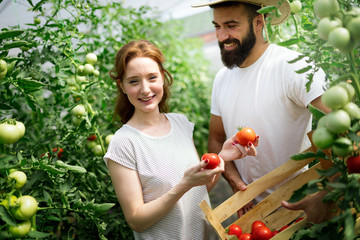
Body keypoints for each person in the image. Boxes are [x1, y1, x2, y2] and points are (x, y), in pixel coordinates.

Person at [104, 39, 257, 240]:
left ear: (163, 79)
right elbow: (136, 220)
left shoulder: (180, 124)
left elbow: (199, 191)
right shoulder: (124, 143)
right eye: (134, 81)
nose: (145, 89)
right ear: (121, 85)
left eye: (152, 78)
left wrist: (222, 158)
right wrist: (183, 185)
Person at [191, 0, 331, 216]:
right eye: (217, 26)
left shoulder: (294, 67)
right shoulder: (221, 79)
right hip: (253, 214)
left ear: (258, 22)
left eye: (231, 25)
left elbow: (339, 130)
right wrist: (236, 182)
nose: (221, 36)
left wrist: (327, 194)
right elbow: (216, 139)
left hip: (300, 204)